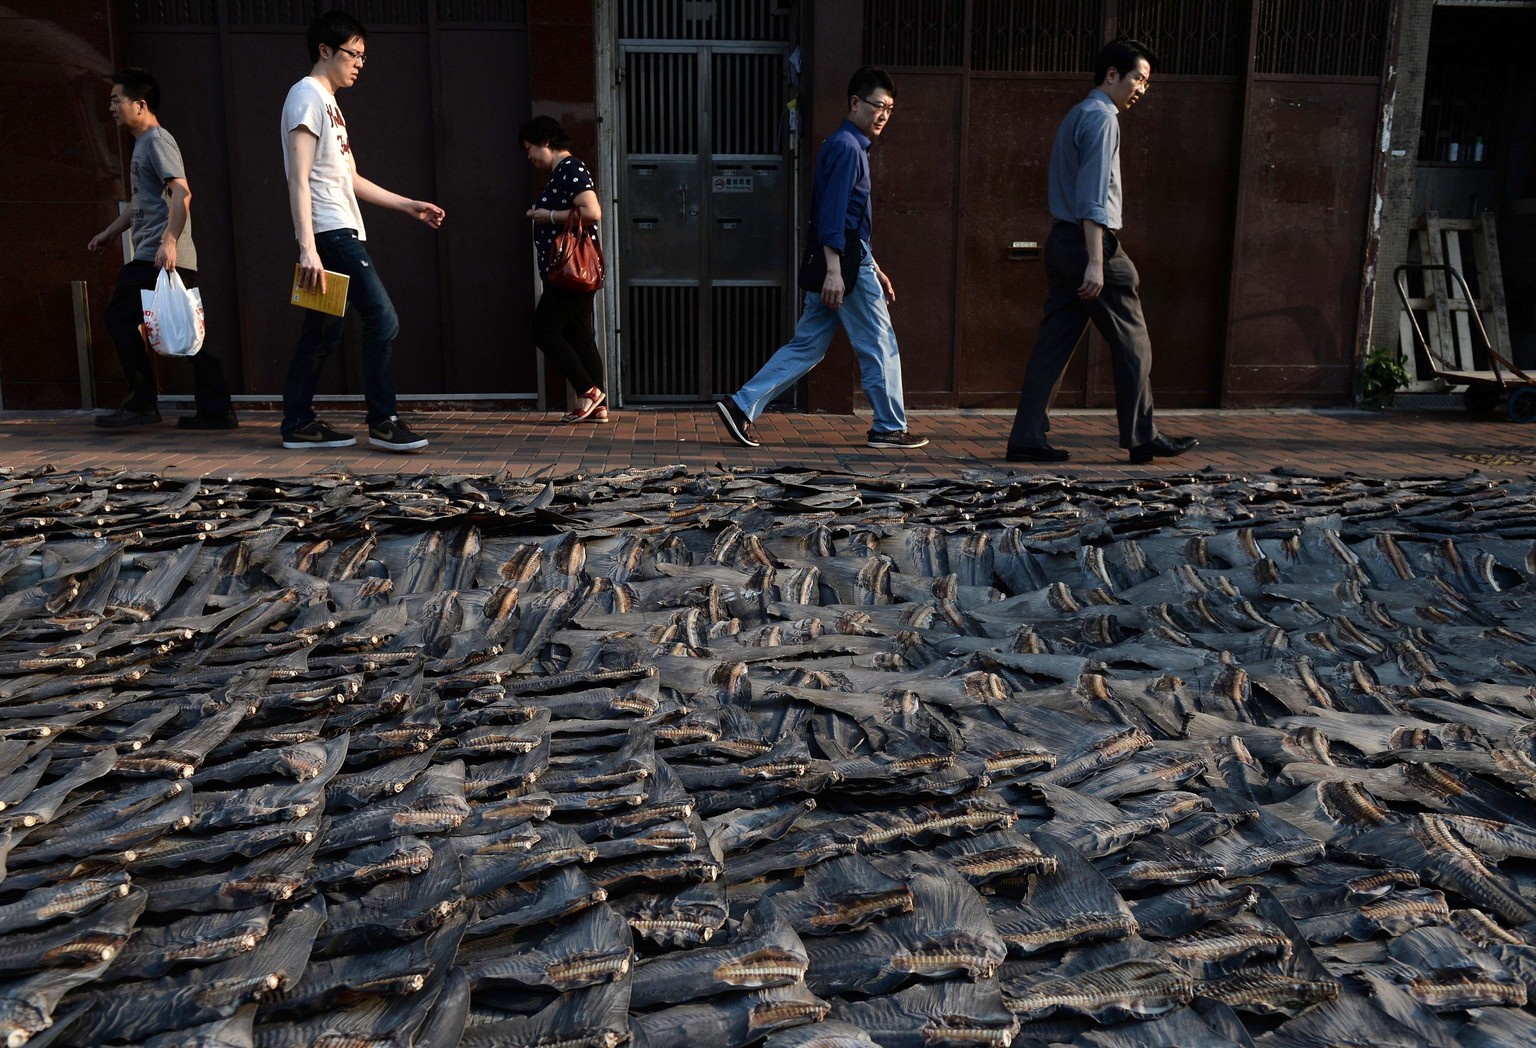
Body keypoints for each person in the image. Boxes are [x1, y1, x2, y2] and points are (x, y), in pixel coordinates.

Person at [1005, 39, 1198, 466]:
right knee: (1134, 343)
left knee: (1053, 344)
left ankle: (1026, 436)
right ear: (1112, 74)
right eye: (1137, 79)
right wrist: (1096, 261)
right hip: (1091, 246)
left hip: (1062, 242)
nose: (1141, 90)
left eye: (1146, 83)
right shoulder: (1103, 119)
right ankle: (1141, 435)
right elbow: (1092, 198)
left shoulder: (1077, 114)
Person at [715, 66, 927, 451]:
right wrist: (837, 270)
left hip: (845, 260)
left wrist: (872, 265)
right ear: (854, 102)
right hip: (844, 263)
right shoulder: (848, 148)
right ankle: (889, 427)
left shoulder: (845, 144)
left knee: (807, 346)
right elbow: (833, 215)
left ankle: (742, 405)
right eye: (878, 106)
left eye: (890, 109)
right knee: (880, 343)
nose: (883, 115)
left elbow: (849, 218)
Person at [280, 10, 445, 452]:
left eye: (362, 57)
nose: (359, 63)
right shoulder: (306, 96)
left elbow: (348, 177)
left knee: (323, 332)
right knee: (382, 318)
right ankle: (383, 421)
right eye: (353, 54)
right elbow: (298, 177)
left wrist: (407, 205)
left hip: (337, 227)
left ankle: (297, 422)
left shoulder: (331, 105)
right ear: (325, 51)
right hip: (330, 233)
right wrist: (307, 247)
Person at [87, 68, 237, 430]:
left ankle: (142, 403)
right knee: (187, 331)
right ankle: (215, 410)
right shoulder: (142, 144)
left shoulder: (156, 140)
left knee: (125, 319)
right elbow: (142, 202)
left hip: (160, 256)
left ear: (140, 104)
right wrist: (109, 232)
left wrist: (169, 243)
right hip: (156, 255)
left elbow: (182, 193)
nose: (111, 108)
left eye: (115, 100)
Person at [522, 116, 608, 423]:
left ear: (546, 142)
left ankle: (589, 391)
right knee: (579, 333)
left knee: (542, 330)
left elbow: (591, 211)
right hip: (571, 271)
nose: (529, 156)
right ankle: (598, 406)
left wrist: (549, 215)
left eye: (530, 148)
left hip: (569, 272)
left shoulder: (570, 169)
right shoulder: (564, 171)